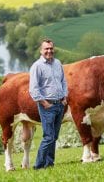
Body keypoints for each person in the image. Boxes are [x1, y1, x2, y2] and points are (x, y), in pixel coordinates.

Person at [29, 38, 68, 169]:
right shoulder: (37, 66)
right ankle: (38, 166)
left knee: (54, 136)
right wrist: (44, 103)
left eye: (51, 48)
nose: (49, 51)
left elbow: (63, 81)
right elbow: (33, 89)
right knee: (48, 137)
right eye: (46, 49)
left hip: (59, 105)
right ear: (41, 51)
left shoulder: (57, 63)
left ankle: (49, 163)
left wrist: (64, 97)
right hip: (47, 106)